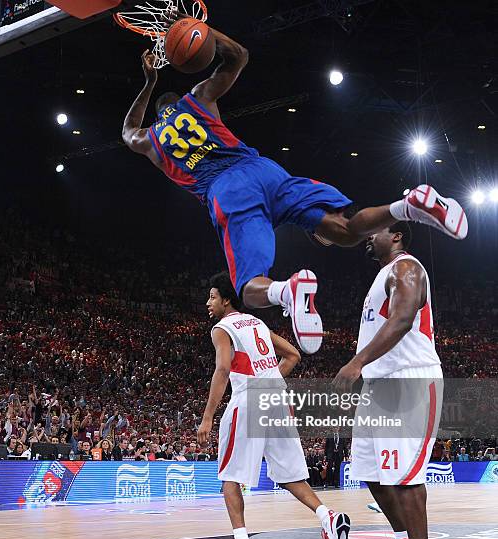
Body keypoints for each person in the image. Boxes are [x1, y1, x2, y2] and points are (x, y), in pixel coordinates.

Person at [122, 19, 468, 355]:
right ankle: (408, 206)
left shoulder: (149, 138)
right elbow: (239, 55)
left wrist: (148, 81)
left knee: (248, 287)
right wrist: (203, 32)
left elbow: (127, 131)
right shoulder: (197, 97)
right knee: (345, 232)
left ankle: (288, 291)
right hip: (263, 170)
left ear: (157, 113)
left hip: (226, 188)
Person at [197, 272, 350, 539]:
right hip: (277, 400)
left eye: (213, 296)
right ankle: (327, 517)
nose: (208, 302)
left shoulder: (222, 327)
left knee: (230, 476)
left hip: (250, 399)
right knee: (290, 475)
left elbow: (223, 369)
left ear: (227, 300)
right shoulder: (257, 323)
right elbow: (293, 355)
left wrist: (207, 418)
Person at [334, 222, 444, 539]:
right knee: (371, 471)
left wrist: (357, 361)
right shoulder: (382, 276)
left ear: (396, 235)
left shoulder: (407, 267)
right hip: (380, 383)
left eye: (376, 230)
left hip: (409, 379)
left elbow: (402, 318)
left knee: (406, 476)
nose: (369, 236)